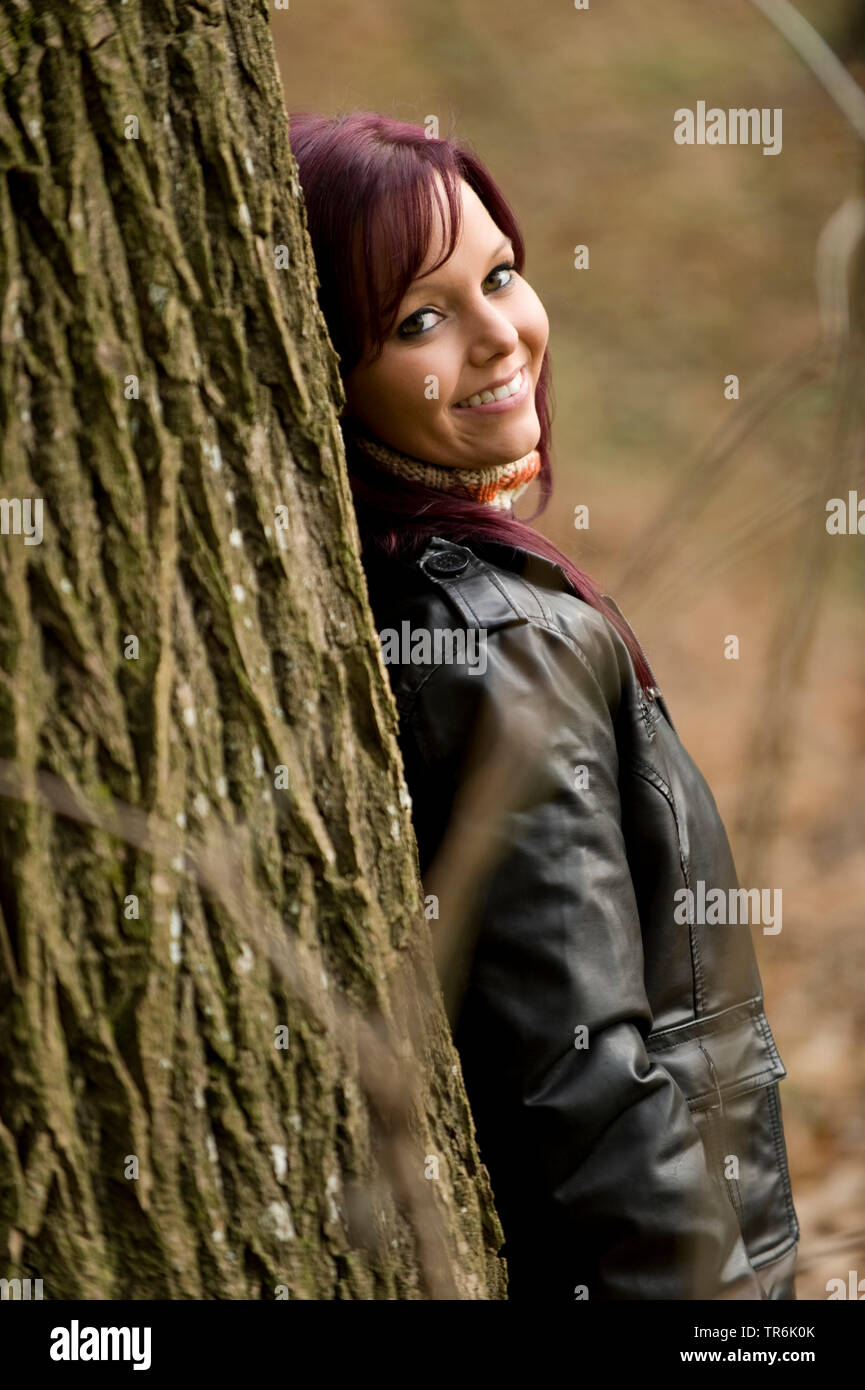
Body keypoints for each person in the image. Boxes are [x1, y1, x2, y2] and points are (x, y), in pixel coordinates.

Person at [289, 109, 800, 1300]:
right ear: (328, 362)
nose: (498, 337)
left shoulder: (442, 596)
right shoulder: (498, 640)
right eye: (420, 318)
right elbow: (584, 1083)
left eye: (500, 277)